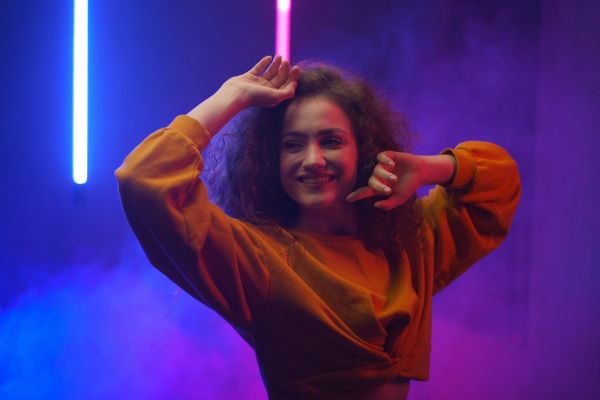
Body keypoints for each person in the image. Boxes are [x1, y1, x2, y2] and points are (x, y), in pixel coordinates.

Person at [116, 55, 520, 400]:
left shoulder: (407, 239)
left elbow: (498, 185)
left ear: (363, 148)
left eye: (331, 141)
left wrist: (432, 167)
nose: (313, 159)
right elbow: (144, 178)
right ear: (270, 160)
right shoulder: (260, 259)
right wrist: (231, 97)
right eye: (293, 144)